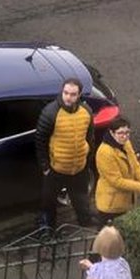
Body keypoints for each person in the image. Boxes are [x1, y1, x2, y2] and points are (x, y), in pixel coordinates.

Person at [36, 78, 97, 229]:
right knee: (48, 202)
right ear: (61, 92)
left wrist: (86, 159)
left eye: (73, 94)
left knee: (81, 199)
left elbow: (90, 137)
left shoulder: (86, 112)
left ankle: (86, 222)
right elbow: (40, 141)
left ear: (79, 95)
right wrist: (45, 167)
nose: (68, 97)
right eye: (66, 93)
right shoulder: (51, 112)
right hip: (56, 169)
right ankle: (48, 228)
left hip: (79, 168)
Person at [95, 118, 140, 226]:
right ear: (112, 133)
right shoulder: (105, 152)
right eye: (120, 133)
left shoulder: (126, 143)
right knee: (107, 238)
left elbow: (135, 165)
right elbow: (117, 181)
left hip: (125, 202)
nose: (124, 136)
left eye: (127, 132)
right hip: (110, 206)